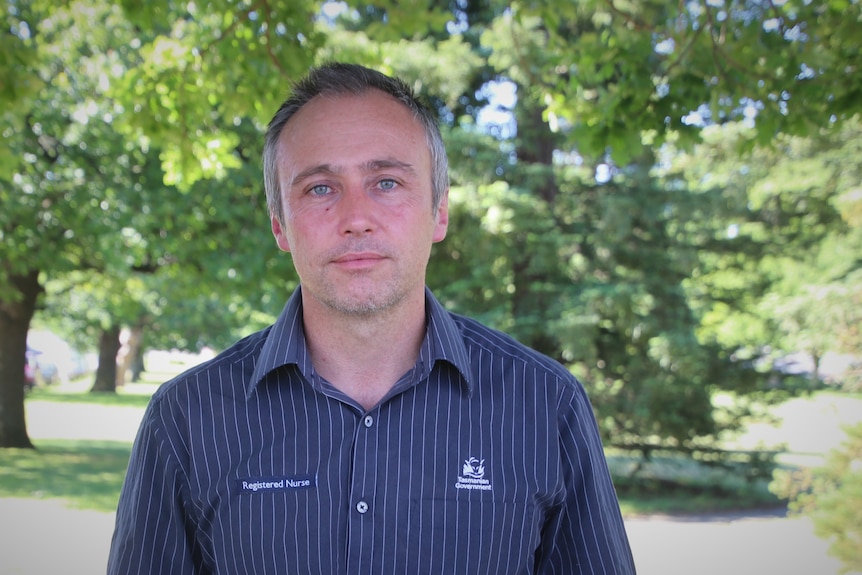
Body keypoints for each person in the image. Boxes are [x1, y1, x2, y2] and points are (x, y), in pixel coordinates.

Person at [108, 62, 636, 574]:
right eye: (319, 188)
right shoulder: (187, 418)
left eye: (386, 182)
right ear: (280, 227)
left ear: (440, 211)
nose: (356, 218)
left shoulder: (545, 404)